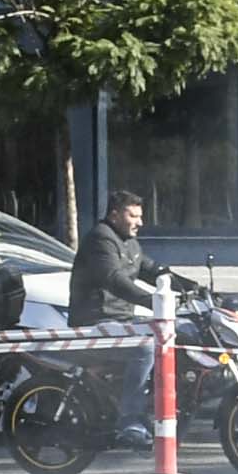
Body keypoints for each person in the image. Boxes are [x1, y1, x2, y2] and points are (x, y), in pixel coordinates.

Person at [73, 187, 170, 438]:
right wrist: (152, 300)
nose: (140, 222)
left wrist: (193, 288)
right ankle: (130, 419)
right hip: (95, 321)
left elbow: (151, 269)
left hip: (121, 320)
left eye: (140, 216)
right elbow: (113, 278)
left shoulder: (129, 242)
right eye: (133, 216)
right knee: (145, 347)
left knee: (178, 332)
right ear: (115, 215)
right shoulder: (101, 239)